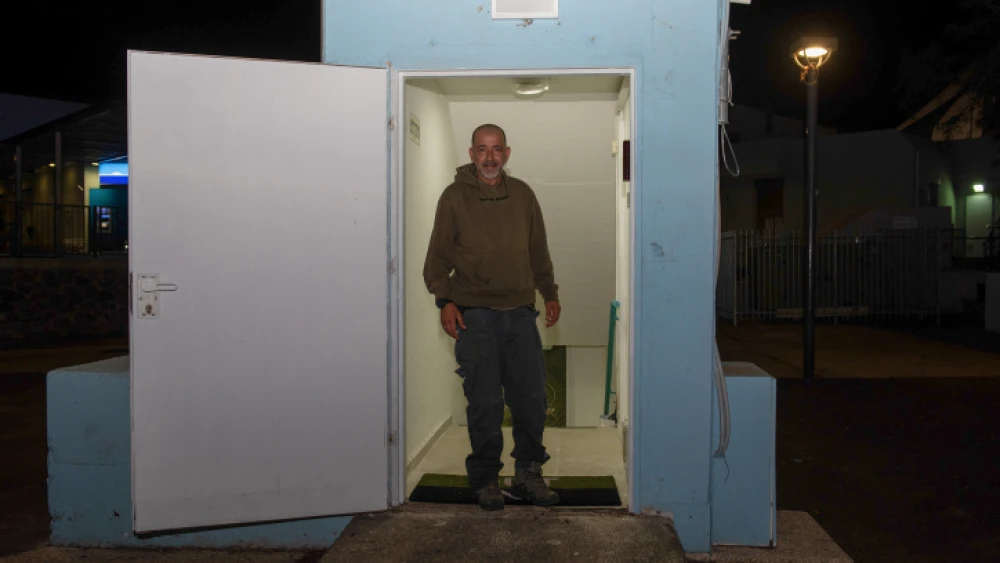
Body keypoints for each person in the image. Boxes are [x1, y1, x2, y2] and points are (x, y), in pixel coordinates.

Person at [423, 123, 562, 511]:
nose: (489, 157)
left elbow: (538, 251)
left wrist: (550, 292)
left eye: (496, 149)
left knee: (530, 398)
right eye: (482, 149)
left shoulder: (523, 196)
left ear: (507, 153)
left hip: (520, 312)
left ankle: (528, 474)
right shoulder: (453, 199)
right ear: (471, 154)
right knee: (484, 402)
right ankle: (486, 479)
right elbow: (436, 260)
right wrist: (444, 302)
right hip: (476, 316)